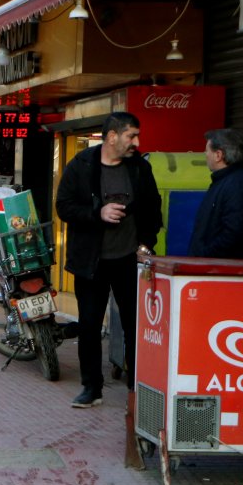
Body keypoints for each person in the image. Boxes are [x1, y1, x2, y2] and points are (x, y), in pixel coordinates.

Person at [55, 111, 163, 409]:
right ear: (112, 136)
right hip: (92, 261)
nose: (137, 142)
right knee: (89, 325)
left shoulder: (139, 167)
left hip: (129, 259)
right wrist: (97, 214)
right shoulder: (82, 165)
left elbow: (153, 207)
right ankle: (92, 388)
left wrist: (146, 242)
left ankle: (136, 388)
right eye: (132, 136)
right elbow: (63, 207)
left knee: (134, 325)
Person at [187, 128, 243, 260]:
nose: (205, 154)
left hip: (222, 272)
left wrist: (205, 256)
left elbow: (234, 234)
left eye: (207, 150)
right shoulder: (225, 181)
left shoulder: (238, 184)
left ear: (218, 155)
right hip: (212, 269)